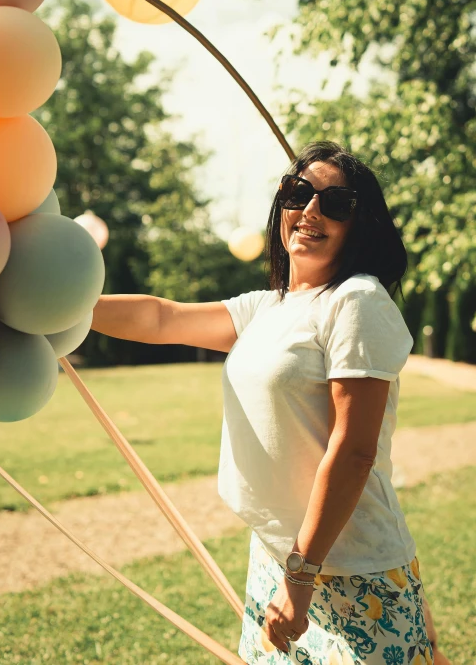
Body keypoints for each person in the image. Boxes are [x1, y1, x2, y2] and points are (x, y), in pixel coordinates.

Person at [92, 141, 451, 664]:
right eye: (299, 193)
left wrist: (301, 577)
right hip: (277, 558)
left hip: (345, 570)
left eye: (336, 203)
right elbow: (161, 318)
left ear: (360, 223)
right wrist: (56, 307)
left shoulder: (357, 301)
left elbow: (354, 451)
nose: (309, 211)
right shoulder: (268, 307)